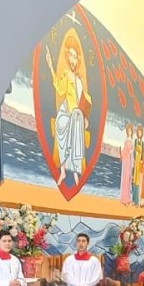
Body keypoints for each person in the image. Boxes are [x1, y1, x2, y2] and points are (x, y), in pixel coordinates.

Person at [45, 35, 91, 186]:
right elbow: (59, 88)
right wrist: (51, 66)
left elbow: (81, 102)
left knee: (77, 125)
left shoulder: (79, 81)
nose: (72, 59)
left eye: (75, 56)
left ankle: (75, 170)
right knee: (69, 123)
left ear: (78, 60)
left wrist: (84, 117)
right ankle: (64, 169)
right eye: (70, 55)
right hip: (65, 114)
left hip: (76, 115)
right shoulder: (66, 74)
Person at [120, 123, 133, 206]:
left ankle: (127, 198)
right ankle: (124, 199)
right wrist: (127, 152)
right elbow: (124, 150)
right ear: (127, 131)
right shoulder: (126, 140)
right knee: (125, 179)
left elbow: (132, 151)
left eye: (131, 131)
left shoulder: (131, 140)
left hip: (130, 160)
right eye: (128, 131)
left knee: (128, 179)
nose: (130, 132)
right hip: (126, 161)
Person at [132, 125, 144, 206]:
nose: (139, 134)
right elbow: (134, 151)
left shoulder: (142, 143)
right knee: (134, 181)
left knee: (138, 182)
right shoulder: (135, 141)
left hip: (139, 163)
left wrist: (141, 161)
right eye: (138, 132)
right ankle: (133, 200)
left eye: (141, 132)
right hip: (135, 162)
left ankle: (137, 201)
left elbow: (142, 154)